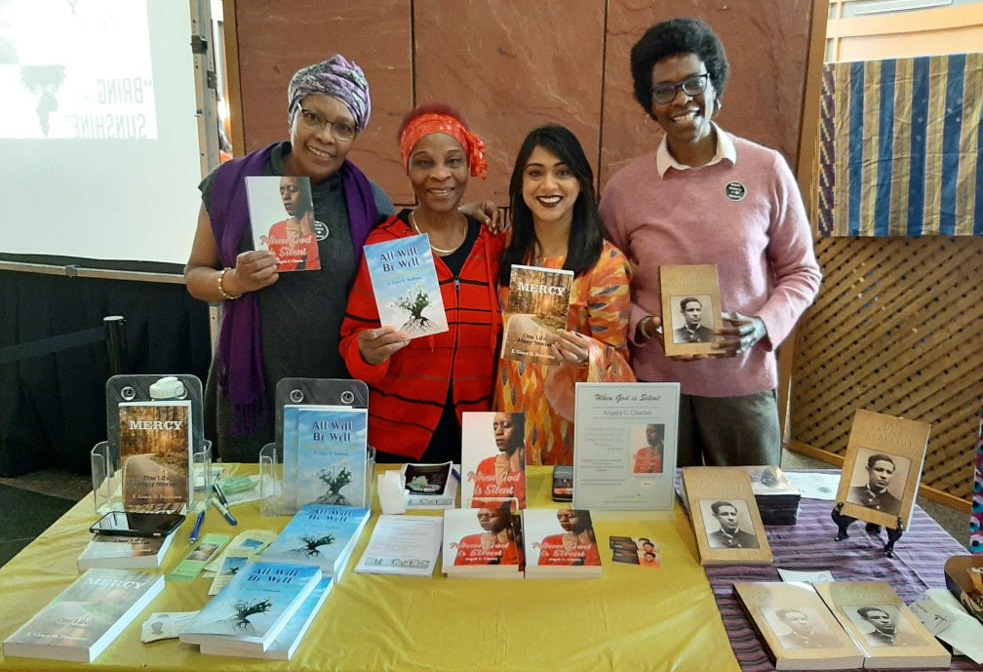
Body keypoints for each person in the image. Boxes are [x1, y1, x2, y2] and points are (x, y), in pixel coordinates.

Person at [600, 18, 822, 468]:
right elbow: (603, 281)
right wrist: (644, 324)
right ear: (651, 104)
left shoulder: (766, 170)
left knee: (748, 520)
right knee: (656, 516)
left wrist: (762, 326)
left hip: (742, 386)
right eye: (664, 90)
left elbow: (802, 271)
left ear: (714, 83)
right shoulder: (625, 189)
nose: (682, 100)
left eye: (692, 83)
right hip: (653, 388)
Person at [184, 55, 394, 462]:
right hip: (253, 386)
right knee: (252, 512)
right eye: (313, 117)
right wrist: (234, 281)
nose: (325, 136)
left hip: (335, 391)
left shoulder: (372, 202)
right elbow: (195, 276)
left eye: (343, 127)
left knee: (328, 511)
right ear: (292, 114)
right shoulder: (231, 185)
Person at [340, 104, 505, 463]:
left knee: (485, 522)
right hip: (398, 440)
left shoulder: (494, 245)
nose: (440, 175)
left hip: (483, 439)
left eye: (453, 161)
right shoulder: (385, 244)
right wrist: (367, 352)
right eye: (425, 162)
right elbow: (352, 342)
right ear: (409, 169)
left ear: (469, 166)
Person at [496, 125, 634, 466]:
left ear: (581, 183)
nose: (548, 185)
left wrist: (587, 354)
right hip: (508, 420)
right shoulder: (505, 249)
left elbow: (617, 361)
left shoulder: (606, 264)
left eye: (563, 172)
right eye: (535, 173)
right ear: (520, 185)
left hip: (571, 429)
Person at [471, 412, 526, 508]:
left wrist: (518, 472)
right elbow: (476, 511)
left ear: (521, 429)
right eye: (495, 427)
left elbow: (523, 512)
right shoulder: (485, 466)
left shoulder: (530, 464)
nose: (498, 432)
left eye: (506, 425)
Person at [264, 176, 319, 271]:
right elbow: (277, 270)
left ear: (307, 192)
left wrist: (309, 235)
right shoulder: (276, 230)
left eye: (293, 190)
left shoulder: (319, 225)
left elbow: (317, 269)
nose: (285, 196)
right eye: (282, 192)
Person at [453, 501, 520, 566]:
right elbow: (458, 570)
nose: (483, 519)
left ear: (507, 517)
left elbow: (515, 568)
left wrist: (507, 545)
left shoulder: (515, 543)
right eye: (480, 516)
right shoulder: (468, 541)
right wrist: (492, 552)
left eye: (491, 515)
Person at [774, 609, 840, 649]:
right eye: (794, 619)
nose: (802, 622)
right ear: (786, 622)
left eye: (803, 619)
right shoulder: (782, 640)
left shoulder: (830, 639)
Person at [856, 607, 922, 646]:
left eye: (885, 617)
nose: (884, 621)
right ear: (866, 620)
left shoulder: (913, 636)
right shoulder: (866, 639)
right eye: (876, 618)